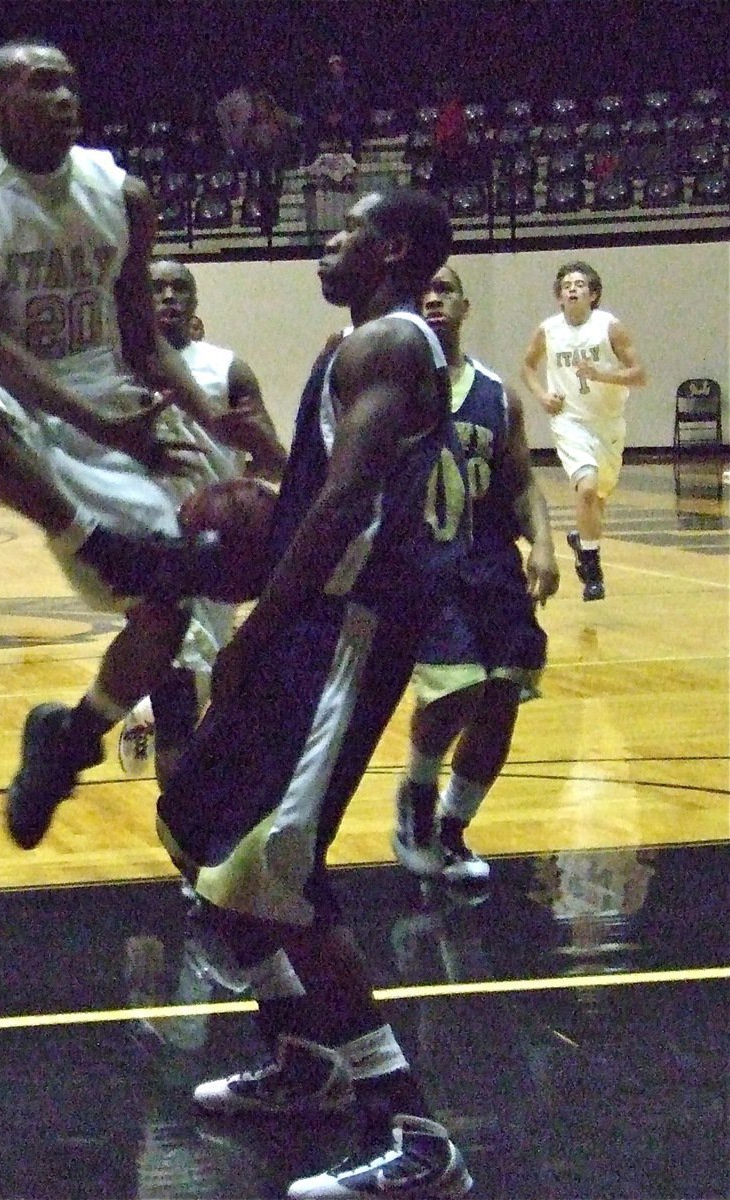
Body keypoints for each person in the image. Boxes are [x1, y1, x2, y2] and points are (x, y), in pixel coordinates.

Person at [156, 188, 473, 1199]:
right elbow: (331, 481)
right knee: (192, 818)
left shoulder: (388, 341)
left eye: (341, 232)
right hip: (316, 619)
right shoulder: (367, 348)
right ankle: (302, 1057)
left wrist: (259, 622)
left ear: (390, 248)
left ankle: (412, 1128)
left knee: (273, 870)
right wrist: (263, 463)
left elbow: (346, 501)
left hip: (344, 628)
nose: (321, 244)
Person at [0, 39, 270, 846]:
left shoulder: (122, 192)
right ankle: (84, 535)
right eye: (41, 85)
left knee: (171, 602)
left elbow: (145, 341)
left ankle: (72, 738)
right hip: (7, 395)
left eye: (70, 83)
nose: (64, 98)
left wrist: (213, 428)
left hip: (108, 395)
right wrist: (98, 425)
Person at [392, 264, 559, 888]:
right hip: (426, 564)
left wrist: (542, 541)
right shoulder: (393, 387)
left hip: (492, 561)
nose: (434, 297)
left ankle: (452, 829)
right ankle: (414, 794)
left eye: (446, 289)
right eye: (424, 288)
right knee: (457, 686)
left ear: (463, 306)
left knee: (502, 696)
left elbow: (518, 480)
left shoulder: (496, 393)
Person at [118, 259, 287, 786]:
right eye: (157, 287)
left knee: (211, 680)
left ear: (195, 301)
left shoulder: (227, 368)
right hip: (147, 546)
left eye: (180, 287)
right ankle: (184, 833)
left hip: (221, 546)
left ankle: (142, 703)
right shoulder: (115, 369)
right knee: (179, 703)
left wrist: (257, 448)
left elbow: (275, 462)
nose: (168, 296)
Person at [521, 260, 647, 601]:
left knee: (597, 498)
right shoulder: (548, 330)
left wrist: (601, 374)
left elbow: (639, 375)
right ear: (559, 297)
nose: (572, 289)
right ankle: (592, 568)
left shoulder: (610, 328)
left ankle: (582, 541)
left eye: (579, 284)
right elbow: (528, 367)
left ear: (593, 294)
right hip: (570, 421)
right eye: (566, 285)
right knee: (587, 488)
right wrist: (543, 396)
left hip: (608, 423)